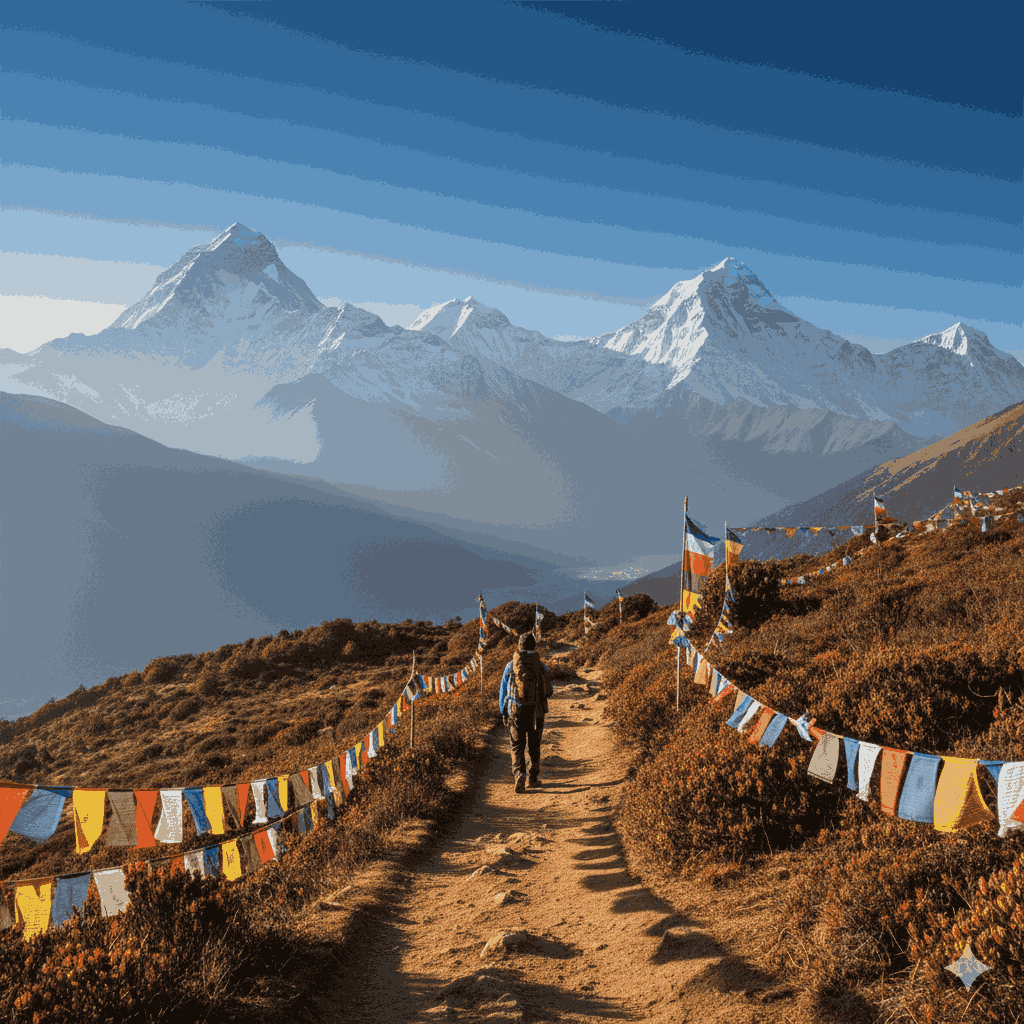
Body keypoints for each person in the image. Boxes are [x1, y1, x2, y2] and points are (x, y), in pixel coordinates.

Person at [498, 633, 553, 793]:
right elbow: (549, 691)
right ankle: (533, 778)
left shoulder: (510, 666)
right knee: (534, 745)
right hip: (536, 712)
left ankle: (519, 774)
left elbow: (503, 692)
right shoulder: (541, 666)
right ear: (534, 646)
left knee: (517, 746)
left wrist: (503, 711)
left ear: (519, 646)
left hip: (515, 712)